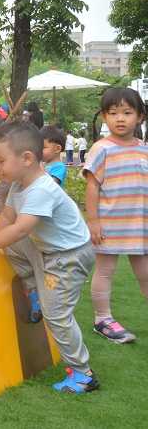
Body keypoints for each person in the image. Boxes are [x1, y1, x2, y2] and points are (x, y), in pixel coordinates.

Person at [0, 123, 97, 394]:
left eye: (0, 161)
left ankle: (83, 373)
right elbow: (7, 217)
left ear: (27, 158)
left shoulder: (41, 189)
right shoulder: (18, 185)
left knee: (57, 315)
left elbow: (20, 228)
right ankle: (34, 291)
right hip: (49, 249)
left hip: (68, 257)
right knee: (10, 244)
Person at [83, 87, 148, 345]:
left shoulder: (143, 149)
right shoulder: (102, 149)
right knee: (105, 271)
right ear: (104, 117)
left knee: (145, 273)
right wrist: (94, 222)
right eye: (113, 113)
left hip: (139, 226)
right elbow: (92, 186)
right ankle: (102, 319)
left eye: (127, 113)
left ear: (140, 116)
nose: (120, 118)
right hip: (109, 225)